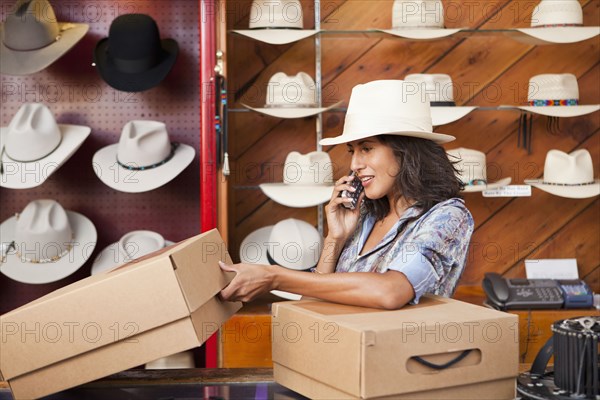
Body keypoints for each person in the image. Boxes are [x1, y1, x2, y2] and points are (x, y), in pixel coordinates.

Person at [219, 80, 474, 310]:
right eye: (352, 150)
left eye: (367, 148)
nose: (354, 164)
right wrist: (335, 239)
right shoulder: (364, 216)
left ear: (406, 151)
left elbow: (391, 291)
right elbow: (312, 305)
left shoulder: (448, 217)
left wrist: (274, 276)